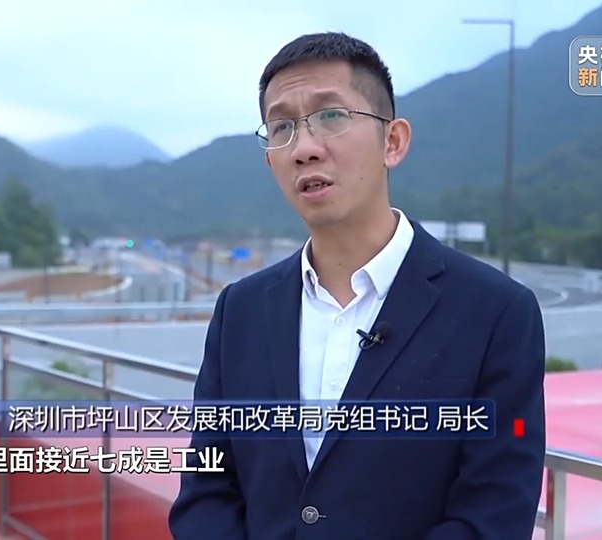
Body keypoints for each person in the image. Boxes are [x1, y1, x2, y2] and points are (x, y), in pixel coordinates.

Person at [168, 32, 546, 539]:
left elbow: (495, 513)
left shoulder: (496, 312)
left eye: (331, 116)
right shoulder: (241, 310)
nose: (304, 148)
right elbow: (207, 485)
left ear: (393, 142)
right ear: (270, 160)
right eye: (282, 127)